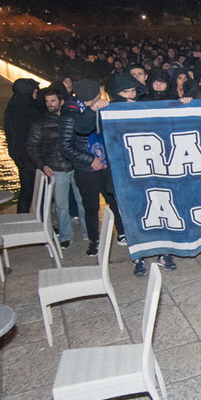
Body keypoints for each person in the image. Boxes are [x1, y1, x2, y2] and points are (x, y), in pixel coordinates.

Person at [107, 73, 178, 276]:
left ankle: (163, 253)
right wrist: (94, 109)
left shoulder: (145, 107)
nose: (130, 96)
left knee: (159, 212)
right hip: (124, 176)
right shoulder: (108, 111)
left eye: (132, 91)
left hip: (150, 172)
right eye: (125, 92)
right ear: (115, 94)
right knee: (132, 217)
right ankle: (138, 257)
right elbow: (83, 127)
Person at [58, 79, 127, 257]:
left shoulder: (103, 107)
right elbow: (65, 145)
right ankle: (95, 241)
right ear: (97, 94)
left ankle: (122, 233)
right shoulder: (70, 111)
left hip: (106, 164)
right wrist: (90, 160)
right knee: (90, 206)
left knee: (113, 200)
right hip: (86, 169)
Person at [26, 87, 86, 249]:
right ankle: (66, 236)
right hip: (56, 168)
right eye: (47, 101)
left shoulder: (73, 118)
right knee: (61, 206)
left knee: (83, 202)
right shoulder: (41, 123)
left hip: (76, 166)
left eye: (53, 101)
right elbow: (32, 146)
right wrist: (43, 165)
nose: (49, 104)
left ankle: (89, 233)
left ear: (62, 101)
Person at [3, 78, 42, 213]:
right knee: (34, 189)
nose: (37, 92)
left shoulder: (12, 106)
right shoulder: (28, 110)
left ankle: (23, 216)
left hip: (18, 154)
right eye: (35, 89)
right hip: (29, 156)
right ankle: (38, 220)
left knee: (27, 188)